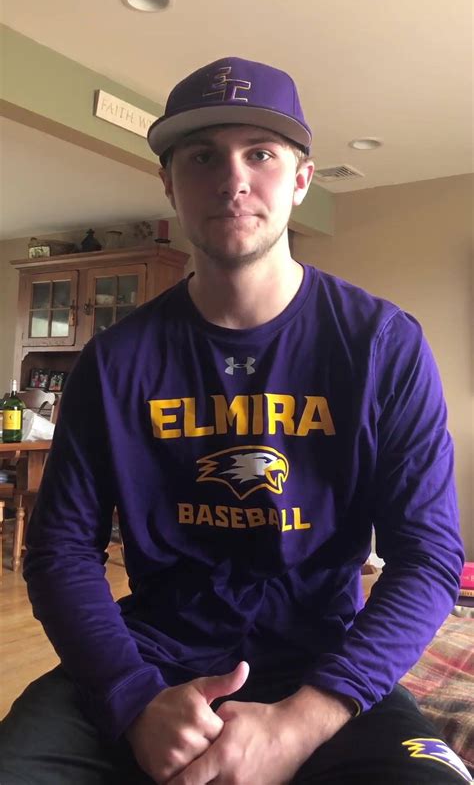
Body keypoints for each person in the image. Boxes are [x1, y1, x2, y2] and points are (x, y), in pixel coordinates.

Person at [0, 56, 469, 785]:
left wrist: (302, 722)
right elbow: (60, 551)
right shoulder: (114, 361)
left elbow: (429, 558)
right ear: (169, 183)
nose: (232, 179)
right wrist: (133, 700)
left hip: (323, 668)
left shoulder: (382, 344)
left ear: (302, 179)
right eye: (201, 156)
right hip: (149, 660)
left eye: (261, 153)